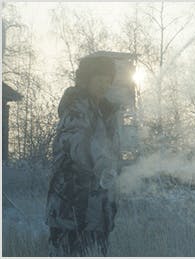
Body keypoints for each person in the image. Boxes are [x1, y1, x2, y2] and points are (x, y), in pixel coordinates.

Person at [46, 56, 121, 256]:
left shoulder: (107, 113)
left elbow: (115, 154)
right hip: (72, 207)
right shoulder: (75, 109)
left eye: (107, 79)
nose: (103, 84)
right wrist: (104, 166)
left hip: (99, 211)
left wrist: (119, 171)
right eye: (99, 79)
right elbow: (78, 146)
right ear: (86, 79)